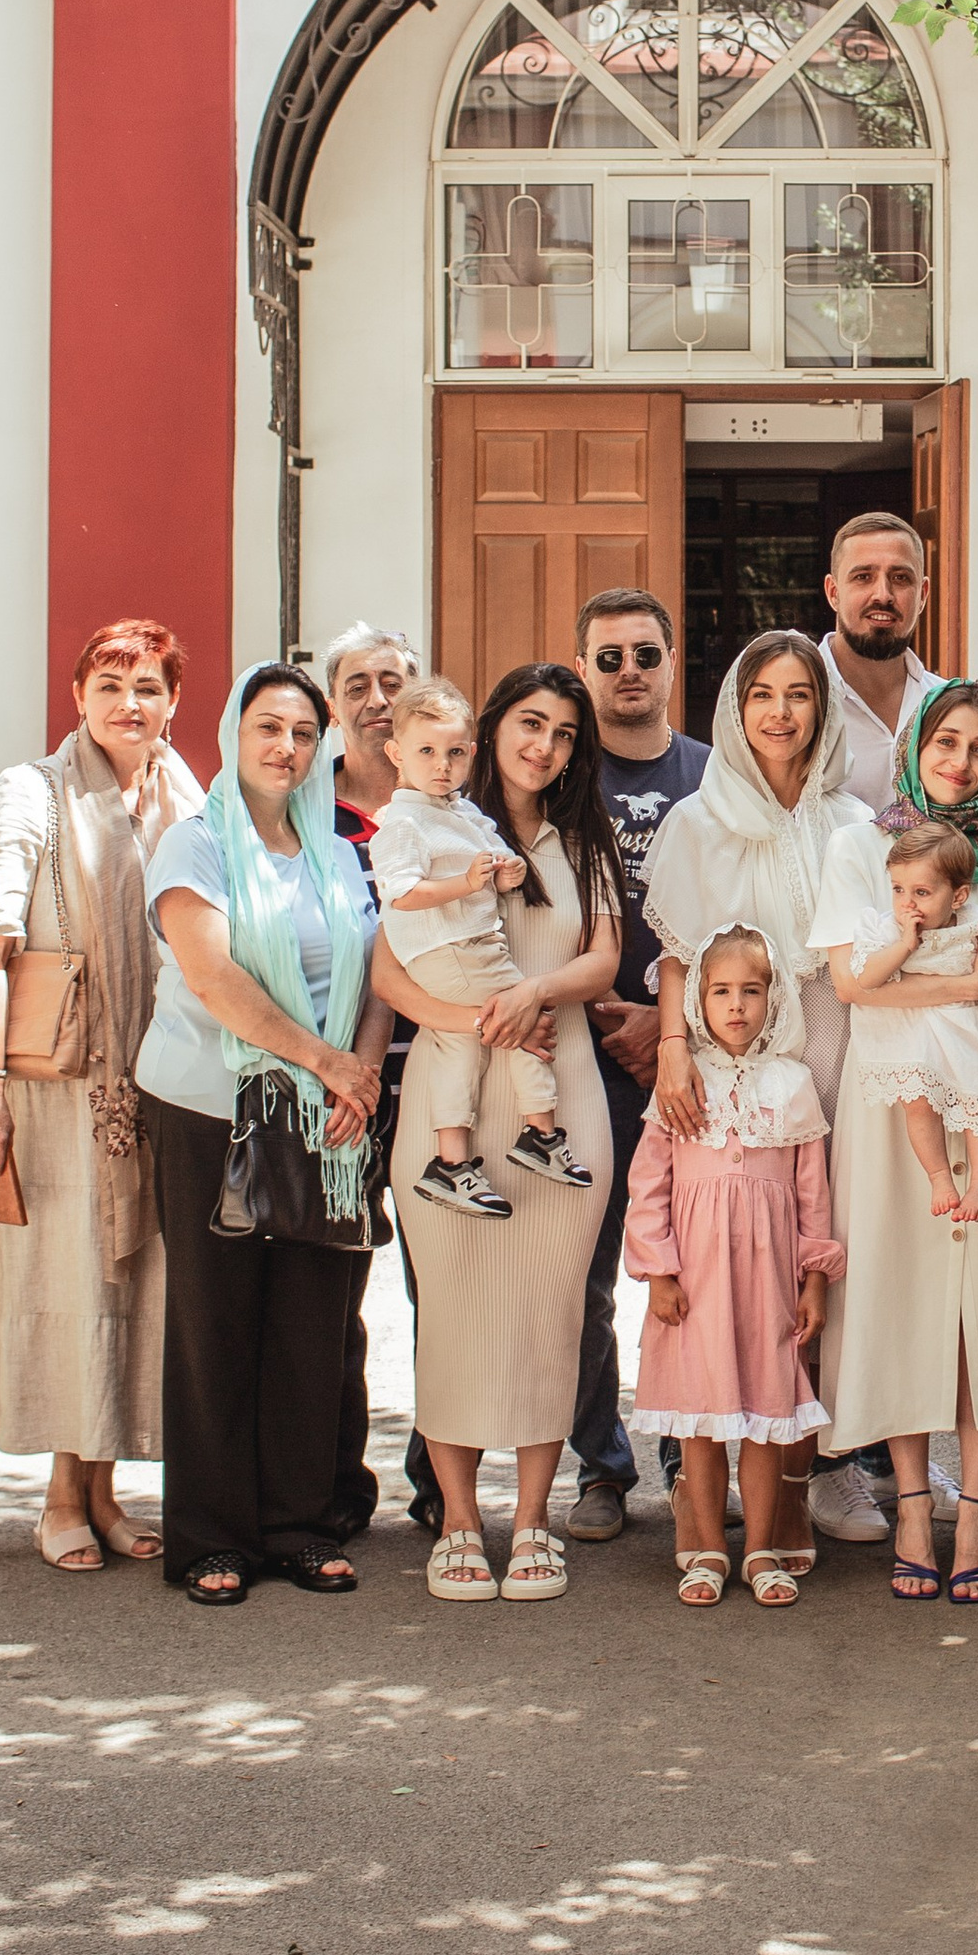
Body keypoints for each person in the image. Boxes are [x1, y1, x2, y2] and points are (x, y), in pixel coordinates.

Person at [810, 681, 978, 1605]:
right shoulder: (859, 847)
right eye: (943, 742)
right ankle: (915, 1504)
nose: (958, 761)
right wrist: (964, 994)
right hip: (892, 1114)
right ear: (916, 747)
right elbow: (852, 986)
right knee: (901, 1303)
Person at [138, 665, 387, 1605]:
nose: (284, 745)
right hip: (215, 1108)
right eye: (266, 725)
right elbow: (213, 980)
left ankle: (299, 1525)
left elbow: (371, 972)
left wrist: (356, 1074)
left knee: (312, 1325)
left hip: (329, 1121)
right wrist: (325, 1065)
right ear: (232, 733)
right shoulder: (195, 846)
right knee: (217, 1321)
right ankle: (211, 1536)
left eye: (301, 731)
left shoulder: (332, 849)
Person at [0, 617, 200, 1573]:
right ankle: (62, 1494)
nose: (128, 703)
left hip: (156, 1083)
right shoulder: (32, 793)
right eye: (109, 683)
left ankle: (103, 1492)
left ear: (175, 701)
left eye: (148, 685)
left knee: (133, 1287)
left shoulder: (185, 793)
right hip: (57, 1088)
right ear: (77, 697)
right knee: (70, 1286)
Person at [379, 665, 624, 1602]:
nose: (545, 746)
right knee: (452, 1310)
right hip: (456, 1095)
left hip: (557, 1099)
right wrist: (467, 1019)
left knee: (547, 1313)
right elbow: (386, 971)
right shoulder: (429, 829)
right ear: (492, 730)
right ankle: (457, 1521)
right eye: (531, 724)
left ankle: (531, 1521)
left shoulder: (583, 840)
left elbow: (601, 961)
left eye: (564, 734)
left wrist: (534, 995)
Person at [644, 632, 874, 1558]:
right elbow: (676, 956)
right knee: (723, 1259)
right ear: (736, 712)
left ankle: (817, 1470)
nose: (781, 712)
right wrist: (672, 1051)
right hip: (724, 1053)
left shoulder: (853, 820)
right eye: (762, 695)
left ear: (823, 711)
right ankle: (702, 1452)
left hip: (837, 1047)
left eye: (799, 695)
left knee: (814, 1255)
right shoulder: (700, 820)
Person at [624, 926, 840, 1608]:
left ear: (774, 1000)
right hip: (696, 1283)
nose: (736, 1005)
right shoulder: (680, 1083)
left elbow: (813, 1196)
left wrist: (813, 1280)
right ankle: (708, 1546)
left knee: (766, 1414)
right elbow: (649, 1185)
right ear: (698, 1002)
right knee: (703, 1418)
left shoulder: (793, 1083)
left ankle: (763, 1551)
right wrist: (659, 1272)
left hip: (769, 1281)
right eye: (720, 992)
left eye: (751, 990)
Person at [562, 587, 707, 1546]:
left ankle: (688, 1456)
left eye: (643, 656)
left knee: (692, 1267)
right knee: (588, 1274)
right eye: (608, 658)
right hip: (579, 1054)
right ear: (583, 669)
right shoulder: (557, 772)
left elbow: (741, 920)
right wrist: (599, 1012)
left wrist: (665, 1020)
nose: (627, 673)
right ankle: (601, 1467)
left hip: (692, 1058)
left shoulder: (713, 774)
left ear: (669, 663)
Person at [376, 676, 588, 1208]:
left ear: (471, 753)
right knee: (523, 1021)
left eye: (453, 753)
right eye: (425, 751)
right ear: (396, 753)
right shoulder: (402, 821)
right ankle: (541, 1134)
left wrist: (504, 872)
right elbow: (401, 895)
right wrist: (467, 884)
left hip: (458, 948)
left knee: (461, 1045)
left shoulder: (461, 811)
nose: (440, 765)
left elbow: (494, 860)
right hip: (453, 947)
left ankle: (450, 1162)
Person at [319, 622, 425, 1537]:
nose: (376, 697)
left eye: (392, 679)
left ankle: (439, 1485)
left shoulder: (448, 796)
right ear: (333, 701)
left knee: (442, 1289)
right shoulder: (304, 803)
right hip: (342, 1083)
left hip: (436, 1079)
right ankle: (337, 1486)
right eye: (357, 683)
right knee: (334, 1292)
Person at [839, 823, 978, 1225]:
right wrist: (904, 946)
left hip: (971, 1031)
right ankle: (939, 1177)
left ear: (959, 895)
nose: (907, 904)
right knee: (918, 1105)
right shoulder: (885, 930)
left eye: (922, 893)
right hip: (915, 1035)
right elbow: (866, 979)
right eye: (898, 889)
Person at [818, 511, 937, 814]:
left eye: (900, 578)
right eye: (863, 577)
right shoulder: (795, 704)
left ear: (922, 595)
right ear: (833, 593)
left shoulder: (947, 704)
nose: (883, 594)